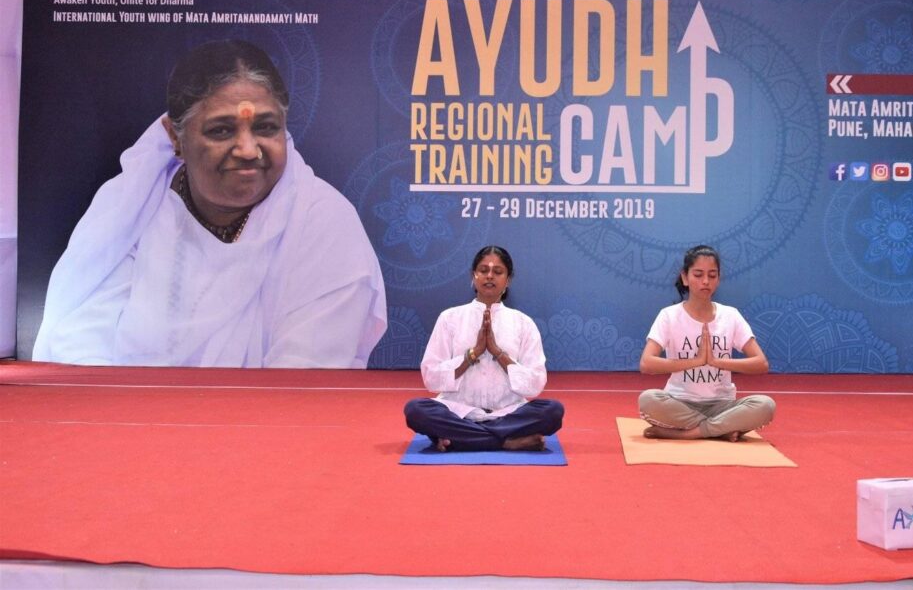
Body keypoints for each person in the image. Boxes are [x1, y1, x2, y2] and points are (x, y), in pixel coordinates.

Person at [32, 39, 387, 368]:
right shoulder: (131, 205)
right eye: (221, 130)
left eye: (265, 127)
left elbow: (304, 376)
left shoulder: (322, 222)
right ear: (175, 136)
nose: (248, 150)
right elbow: (80, 347)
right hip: (127, 422)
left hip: (267, 428)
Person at [404, 246, 564, 451]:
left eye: (497, 272)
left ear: (508, 280)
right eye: (483, 270)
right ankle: (505, 441)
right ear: (474, 276)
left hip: (507, 413)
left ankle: (461, 439)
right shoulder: (450, 318)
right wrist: (473, 354)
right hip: (458, 412)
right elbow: (431, 378)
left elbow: (534, 384)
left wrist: (497, 352)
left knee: (552, 411)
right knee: (416, 411)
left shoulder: (523, 323)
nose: (489, 276)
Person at [638, 245, 775, 441]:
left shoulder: (731, 315)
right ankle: (721, 430)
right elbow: (647, 364)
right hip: (680, 402)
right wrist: (697, 361)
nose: (705, 281)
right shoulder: (669, 315)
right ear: (685, 277)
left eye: (712, 275)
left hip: (723, 405)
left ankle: (691, 433)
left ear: (718, 278)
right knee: (648, 400)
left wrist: (716, 361)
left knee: (765, 405)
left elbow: (761, 364)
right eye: (698, 274)